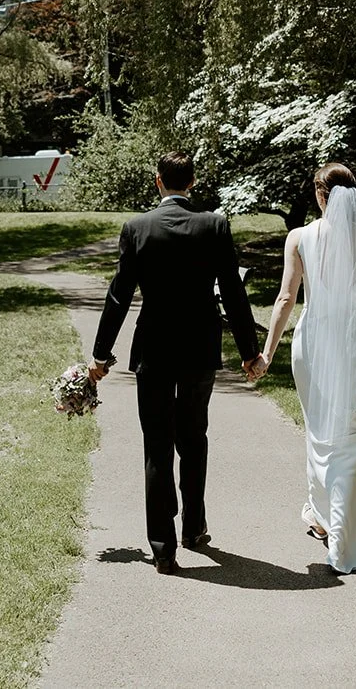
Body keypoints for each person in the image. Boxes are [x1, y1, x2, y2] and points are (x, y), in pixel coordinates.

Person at [89, 151, 262, 575]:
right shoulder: (214, 225)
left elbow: (119, 294)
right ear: (193, 181)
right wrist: (249, 351)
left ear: (157, 182)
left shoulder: (137, 228)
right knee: (194, 436)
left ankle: (163, 548)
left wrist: (101, 353)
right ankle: (195, 526)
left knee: (157, 445)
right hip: (200, 347)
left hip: (154, 350)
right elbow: (233, 294)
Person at [256, 162, 356, 573]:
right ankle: (336, 518)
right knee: (349, 429)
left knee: (320, 431)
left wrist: (268, 352)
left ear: (321, 196)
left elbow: (286, 299)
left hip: (313, 344)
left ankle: (329, 521)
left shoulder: (299, 237)